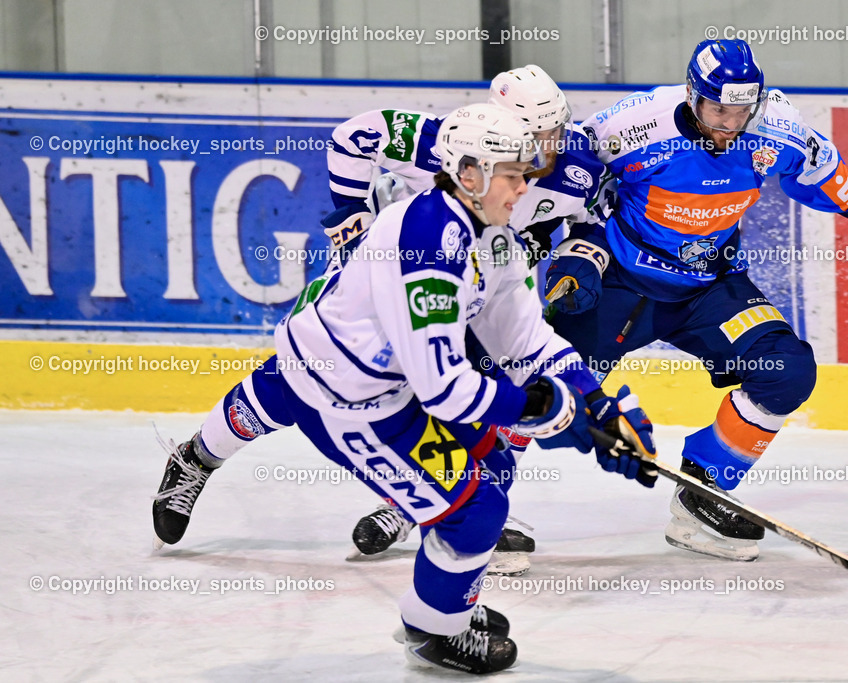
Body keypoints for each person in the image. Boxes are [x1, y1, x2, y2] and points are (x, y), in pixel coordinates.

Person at [152, 102, 656, 674]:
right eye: (514, 176)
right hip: (352, 401)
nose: (526, 189)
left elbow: (523, 338)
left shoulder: (490, 236)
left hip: (353, 365)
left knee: (490, 466)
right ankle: (433, 631)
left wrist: (595, 401)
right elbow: (443, 389)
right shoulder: (424, 243)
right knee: (475, 509)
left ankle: (439, 602)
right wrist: (545, 409)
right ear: (471, 174)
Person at [543, 39, 848, 562]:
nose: (731, 122)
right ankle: (452, 502)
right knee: (537, 380)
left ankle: (702, 494)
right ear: (694, 96)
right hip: (624, 284)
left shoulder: (772, 126)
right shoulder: (632, 126)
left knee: (787, 370)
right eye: (720, 109)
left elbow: (819, 166)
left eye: (742, 110)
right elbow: (572, 181)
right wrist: (571, 252)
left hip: (710, 287)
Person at [323, 64, 610, 573]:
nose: (552, 146)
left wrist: (578, 261)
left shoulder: (578, 163)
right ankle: (415, 501)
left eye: (557, 130)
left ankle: (471, 504)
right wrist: (352, 216)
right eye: (539, 135)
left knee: (514, 392)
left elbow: (591, 224)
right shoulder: (440, 142)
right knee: (417, 395)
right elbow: (353, 136)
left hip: (491, 291)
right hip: (413, 288)